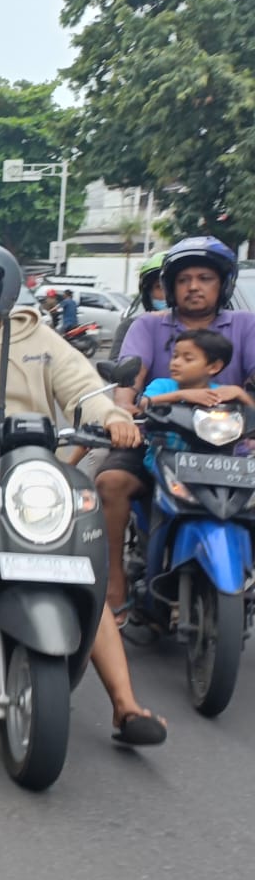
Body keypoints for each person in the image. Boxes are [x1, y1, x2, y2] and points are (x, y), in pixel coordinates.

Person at [0, 241, 166, 746]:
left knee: (79, 561)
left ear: (3, 294)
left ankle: (126, 705)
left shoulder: (41, 339)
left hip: (38, 470)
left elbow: (84, 391)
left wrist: (112, 419)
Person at [98, 236, 255, 622]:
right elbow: (128, 385)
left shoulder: (246, 325)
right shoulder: (147, 326)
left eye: (205, 278)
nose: (194, 286)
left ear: (223, 285)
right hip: (157, 438)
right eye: (184, 279)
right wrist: (125, 415)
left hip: (229, 446)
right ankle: (114, 584)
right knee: (110, 482)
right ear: (170, 287)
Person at [137, 330, 254, 477]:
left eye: (188, 359)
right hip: (164, 465)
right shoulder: (163, 386)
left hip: (216, 469)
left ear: (214, 367)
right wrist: (181, 395)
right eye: (175, 356)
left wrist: (240, 393)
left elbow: (251, 415)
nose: (176, 363)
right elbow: (141, 405)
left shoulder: (221, 394)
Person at [107, 252, 166, 361]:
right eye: (160, 287)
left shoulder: (199, 327)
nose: (168, 294)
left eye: (173, 286)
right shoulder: (131, 326)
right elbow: (116, 368)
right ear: (148, 293)